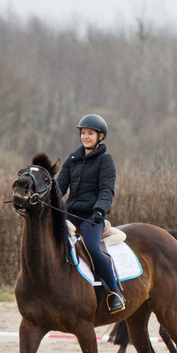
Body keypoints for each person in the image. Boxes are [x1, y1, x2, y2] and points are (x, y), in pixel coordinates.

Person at [56, 114, 125, 313]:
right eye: (83, 133)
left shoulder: (105, 160)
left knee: (92, 248)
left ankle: (114, 291)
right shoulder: (72, 159)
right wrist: (49, 201)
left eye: (90, 133)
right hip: (70, 214)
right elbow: (60, 186)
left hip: (92, 217)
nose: (85, 137)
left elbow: (106, 190)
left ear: (100, 136)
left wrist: (99, 210)